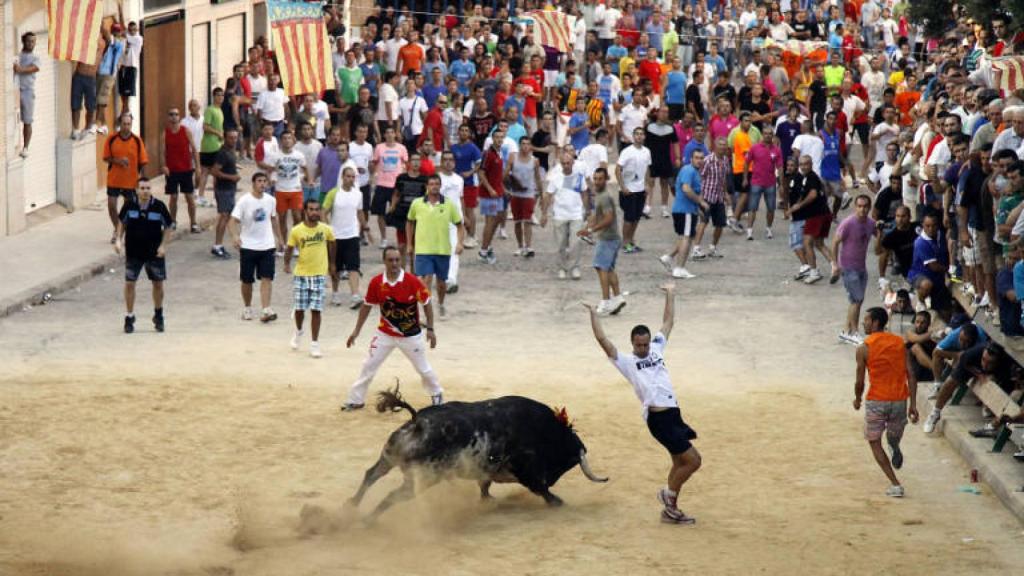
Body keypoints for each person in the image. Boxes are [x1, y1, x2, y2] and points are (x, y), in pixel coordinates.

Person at [584, 283, 701, 525]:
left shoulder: (657, 348)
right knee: (693, 460)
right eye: (639, 345)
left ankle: (670, 507)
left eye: (646, 344)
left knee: (680, 462)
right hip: (659, 420)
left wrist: (670, 293)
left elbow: (668, 322)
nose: (643, 349)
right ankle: (668, 498)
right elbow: (602, 339)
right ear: (632, 343)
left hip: (673, 415)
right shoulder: (626, 362)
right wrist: (594, 315)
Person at [342, 246, 444, 411]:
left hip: (410, 336)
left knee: (423, 369)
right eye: (391, 260)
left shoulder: (412, 281)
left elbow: (426, 303)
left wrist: (430, 329)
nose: (395, 263)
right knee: (369, 365)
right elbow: (367, 306)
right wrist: (356, 331)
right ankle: (356, 399)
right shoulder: (376, 282)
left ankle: (437, 394)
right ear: (384, 262)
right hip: (385, 334)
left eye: (397, 260)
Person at [854, 307, 919, 498]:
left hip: (877, 399)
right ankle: (894, 444)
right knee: (893, 435)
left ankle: (895, 484)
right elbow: (911, 375)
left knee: (874, 441)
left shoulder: (864, 347)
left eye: (866, 320)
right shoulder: (899, 343)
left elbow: (860, 380)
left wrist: (857, 399)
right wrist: (913, 404)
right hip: (899, 399)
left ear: (875, 322)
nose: (864, 323)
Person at [113, 178, 171, 334]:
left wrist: (163, 245)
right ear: (137, 190)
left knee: (158, 283)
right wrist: (118, 239)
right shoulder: (129, 206)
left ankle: (158, 315)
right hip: (133, 252)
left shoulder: (159, 207)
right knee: (130, 283)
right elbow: (121, 224)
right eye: (142, 188)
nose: (145, 191)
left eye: (148, 188)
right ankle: (129, 317)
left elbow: (167, 227)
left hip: (154, 252)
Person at [284, 199, 337, 358]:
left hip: (319, 274)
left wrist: (332, 264)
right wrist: (286, 263)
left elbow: (333, 244)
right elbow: (289, 248)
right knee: (300, 308)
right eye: (311, 209)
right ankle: (299, 331)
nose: (314, 212)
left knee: (316, 309)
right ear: (305, 211)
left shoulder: (326, 229)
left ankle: (314, 343)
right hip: (301, 274)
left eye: (317, 209)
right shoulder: (296, 231)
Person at [406, 175, 465, 317]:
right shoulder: (417, 203)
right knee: (426, 278)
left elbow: (459, 225)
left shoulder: (449, 204)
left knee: (441, 282)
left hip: (442, 249)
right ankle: (427, 308)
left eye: (437, 184)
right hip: (423, 249)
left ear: (440, 186)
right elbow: (409, 222)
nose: (434, 186)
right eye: (431, 183)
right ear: (427, 186)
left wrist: (460, 243)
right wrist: (409, 243)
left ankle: (441, 304)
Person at [230, 172, 282, 323]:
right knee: (247, 280)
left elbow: (274, 219)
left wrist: (280, 238)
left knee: (267, 278)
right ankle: (247, 307)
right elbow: (232, 221)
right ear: (253, 183)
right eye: (259, 181)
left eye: (265, 181)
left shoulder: (271, 200)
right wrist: (235, 236)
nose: (262, 184)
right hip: (248, 246)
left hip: (267, 245)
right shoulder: (244, 201)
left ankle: (266, 309)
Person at [579, 167, 625, 315]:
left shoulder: (604, 196)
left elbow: (608, 218)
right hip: (611, 238)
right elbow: (596, 215)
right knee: (609, 268)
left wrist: (592, 230)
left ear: (606, 179)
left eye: (600, 179)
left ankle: (605, 301)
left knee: (601, 268)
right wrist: (587, 227)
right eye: (595, 178)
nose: (597, 181)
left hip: (607, 238)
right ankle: (617, 298)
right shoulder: (600, 195)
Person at [832, 195, 876, 344]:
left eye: (865, 206)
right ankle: (855, 332)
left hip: (861, 267)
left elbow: (880, 238)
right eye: (859, 206)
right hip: (848, 267)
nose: (862, 209)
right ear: (855, 207)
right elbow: (835, 242)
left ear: (869, 208)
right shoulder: (848, 223)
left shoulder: (871, 223)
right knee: (856, 300)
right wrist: (835, 264)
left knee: (855, 300)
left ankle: (846, 331)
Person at [323, 166, 366, 309]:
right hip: (336, 236)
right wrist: (328, 228)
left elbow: (359, 212)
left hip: (352, 234)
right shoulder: (334, 193)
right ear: (342, 177)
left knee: (353, 266)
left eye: (353, 177)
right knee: (336, 266)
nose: (350, 179)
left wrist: (364, 226)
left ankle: (355, 295)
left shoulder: (358, 194)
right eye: (348, 176)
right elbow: (324, 212)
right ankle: (335, 293)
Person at [260, 130, 309, 256]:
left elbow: (304, 167)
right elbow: (269, 170)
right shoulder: (275, 156)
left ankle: (296, 245)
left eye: (289, 138)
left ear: (293, 140)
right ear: (281, 141)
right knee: (281, 218)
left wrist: (307, 179)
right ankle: (282, 245)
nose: (287, 140)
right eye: (284, 138)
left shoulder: (299, 155)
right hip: (280, 190)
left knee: (297, 218)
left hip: (295, 190)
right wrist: (269, 180)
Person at [542, 149, 588, 280]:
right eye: (564, 163)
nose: (566, 165)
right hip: (560, 214)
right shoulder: (556, 178)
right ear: (561, 164)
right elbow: (548, 195)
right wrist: (544, 214)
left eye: (568, 163)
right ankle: (562, 267)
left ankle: (575, 267)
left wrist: (587, 210)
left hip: (576, 214)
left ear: (573, 162)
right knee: (560, 244)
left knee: (576, 242)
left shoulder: (579, 177)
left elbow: (584, 193)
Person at [661, 149, 707, 279]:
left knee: (685, 237)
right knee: (686, 238)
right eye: (697, 158)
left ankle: (668, 257)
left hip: (688, 210)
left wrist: (698, 210)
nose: (699, 160)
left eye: (701, 158)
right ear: (691, 159)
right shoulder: (689, 170)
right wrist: (701, 203)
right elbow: (686, 189)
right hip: (684, 210)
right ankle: (679, 268)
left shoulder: (695, 172)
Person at [102, 113, 148, 244]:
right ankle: (117, 228)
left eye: (129, 124)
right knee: (111, 206)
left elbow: (143, 161)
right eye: (124, 124)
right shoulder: (112, 139)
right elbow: (106, 158)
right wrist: (118, 161)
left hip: (130, 182)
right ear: (119, 124)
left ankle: (123, 231)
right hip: (114, 179)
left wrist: (143, 181)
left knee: (128, 209)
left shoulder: (137, 141)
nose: (126, 127)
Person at [160, 106, 201, 233]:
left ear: (179, 117)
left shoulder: (186, 131)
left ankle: (193, 223)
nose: (174, 117)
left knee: (189, 197)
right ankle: (172, 221)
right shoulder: (165, 133)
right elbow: (162, 152)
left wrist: (198, 167)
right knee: (173, 197)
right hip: (172, 170)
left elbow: (194, 149)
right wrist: (163, 166)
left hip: (186, 169)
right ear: (168, 117)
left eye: (176, 114)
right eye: (171, 114)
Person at [616, 127, 653, 253]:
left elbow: (647, 169)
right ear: (633, 136)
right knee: (628, 218)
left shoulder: (647, 151)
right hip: (628, 190)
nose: (639, 136)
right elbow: (618, 169)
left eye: (641, 134)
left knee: (637, 217)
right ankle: (625, 242)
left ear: (644, 137)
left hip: (640, 189)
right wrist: (622, 187)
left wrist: (647, 185)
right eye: (636, 134)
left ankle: (631, 240)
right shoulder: (627, 151)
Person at [506, 137, 543, 257]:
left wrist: (542, 195)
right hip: (515, 194)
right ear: (519, 145)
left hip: (529, 193)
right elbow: (505, 175)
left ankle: (528, 246)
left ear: (530, 146)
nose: (525, 146)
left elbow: (538, 178)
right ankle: (520, 246)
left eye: (528, 144)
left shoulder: (535, 161)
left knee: (527, 221)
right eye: (523, 144)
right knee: (517, 221)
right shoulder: (513, 158)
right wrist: (507, 189)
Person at [743, 128, 782, 240]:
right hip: (756, 181)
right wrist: (745, 178)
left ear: (773, 135)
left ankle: (768, 228)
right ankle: (749, 231)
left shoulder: (777, 150)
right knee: (752, 207)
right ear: (762, 135)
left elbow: (780, 167)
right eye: (765, 133)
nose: (768, 136)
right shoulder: (754, 148)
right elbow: (746, 163)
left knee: (771, 208)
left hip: (770, 182)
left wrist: (781, 184)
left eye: (770, 134)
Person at [478, 129, 507, 265]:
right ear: (492, 138)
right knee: (490, 221)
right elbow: (481, 173)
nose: (499, 139)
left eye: (501, 137)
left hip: (498, 192)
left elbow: (497, 175)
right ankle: (483, 251)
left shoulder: (499, 153)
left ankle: (487, 245)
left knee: (498, 219)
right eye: (497, 137)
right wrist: (490, 189)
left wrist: (503, 188)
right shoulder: (488, 154)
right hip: (489, 194)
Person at [211, 128, 241, 259]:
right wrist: (232, 177)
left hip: (229, 189)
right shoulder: (222, 153)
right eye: (231, 137)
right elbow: (215, 171)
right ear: (225, 138)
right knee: (224, 216)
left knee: (227, 216)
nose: (234, 140)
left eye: (235, 137)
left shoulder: (231, 152)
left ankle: (221, 244)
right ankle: (217, 246)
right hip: (223, 189)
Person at [13, 31, 38, 157]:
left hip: (28, 92)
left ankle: (26, 147)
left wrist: (20, 69)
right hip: (16, 91)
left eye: (33, 41)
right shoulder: (18, 56)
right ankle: (15, 145)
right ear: (23, 41)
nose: (31, 43)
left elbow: (34, 68)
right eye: (28, 41)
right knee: (15, 118)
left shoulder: (35, 57)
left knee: (27, 121)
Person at [199, 88, 226, 201]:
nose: (220, 97)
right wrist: (218, 133)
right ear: (213, 96)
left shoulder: (219, 110)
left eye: (222, 95)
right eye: (218, 95)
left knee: (209, 172)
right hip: (210, 145)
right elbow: (205, 127)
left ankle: (206, 196)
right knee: (212, 172)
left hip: (217, 145)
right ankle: (205, 196)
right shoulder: (210, 110)